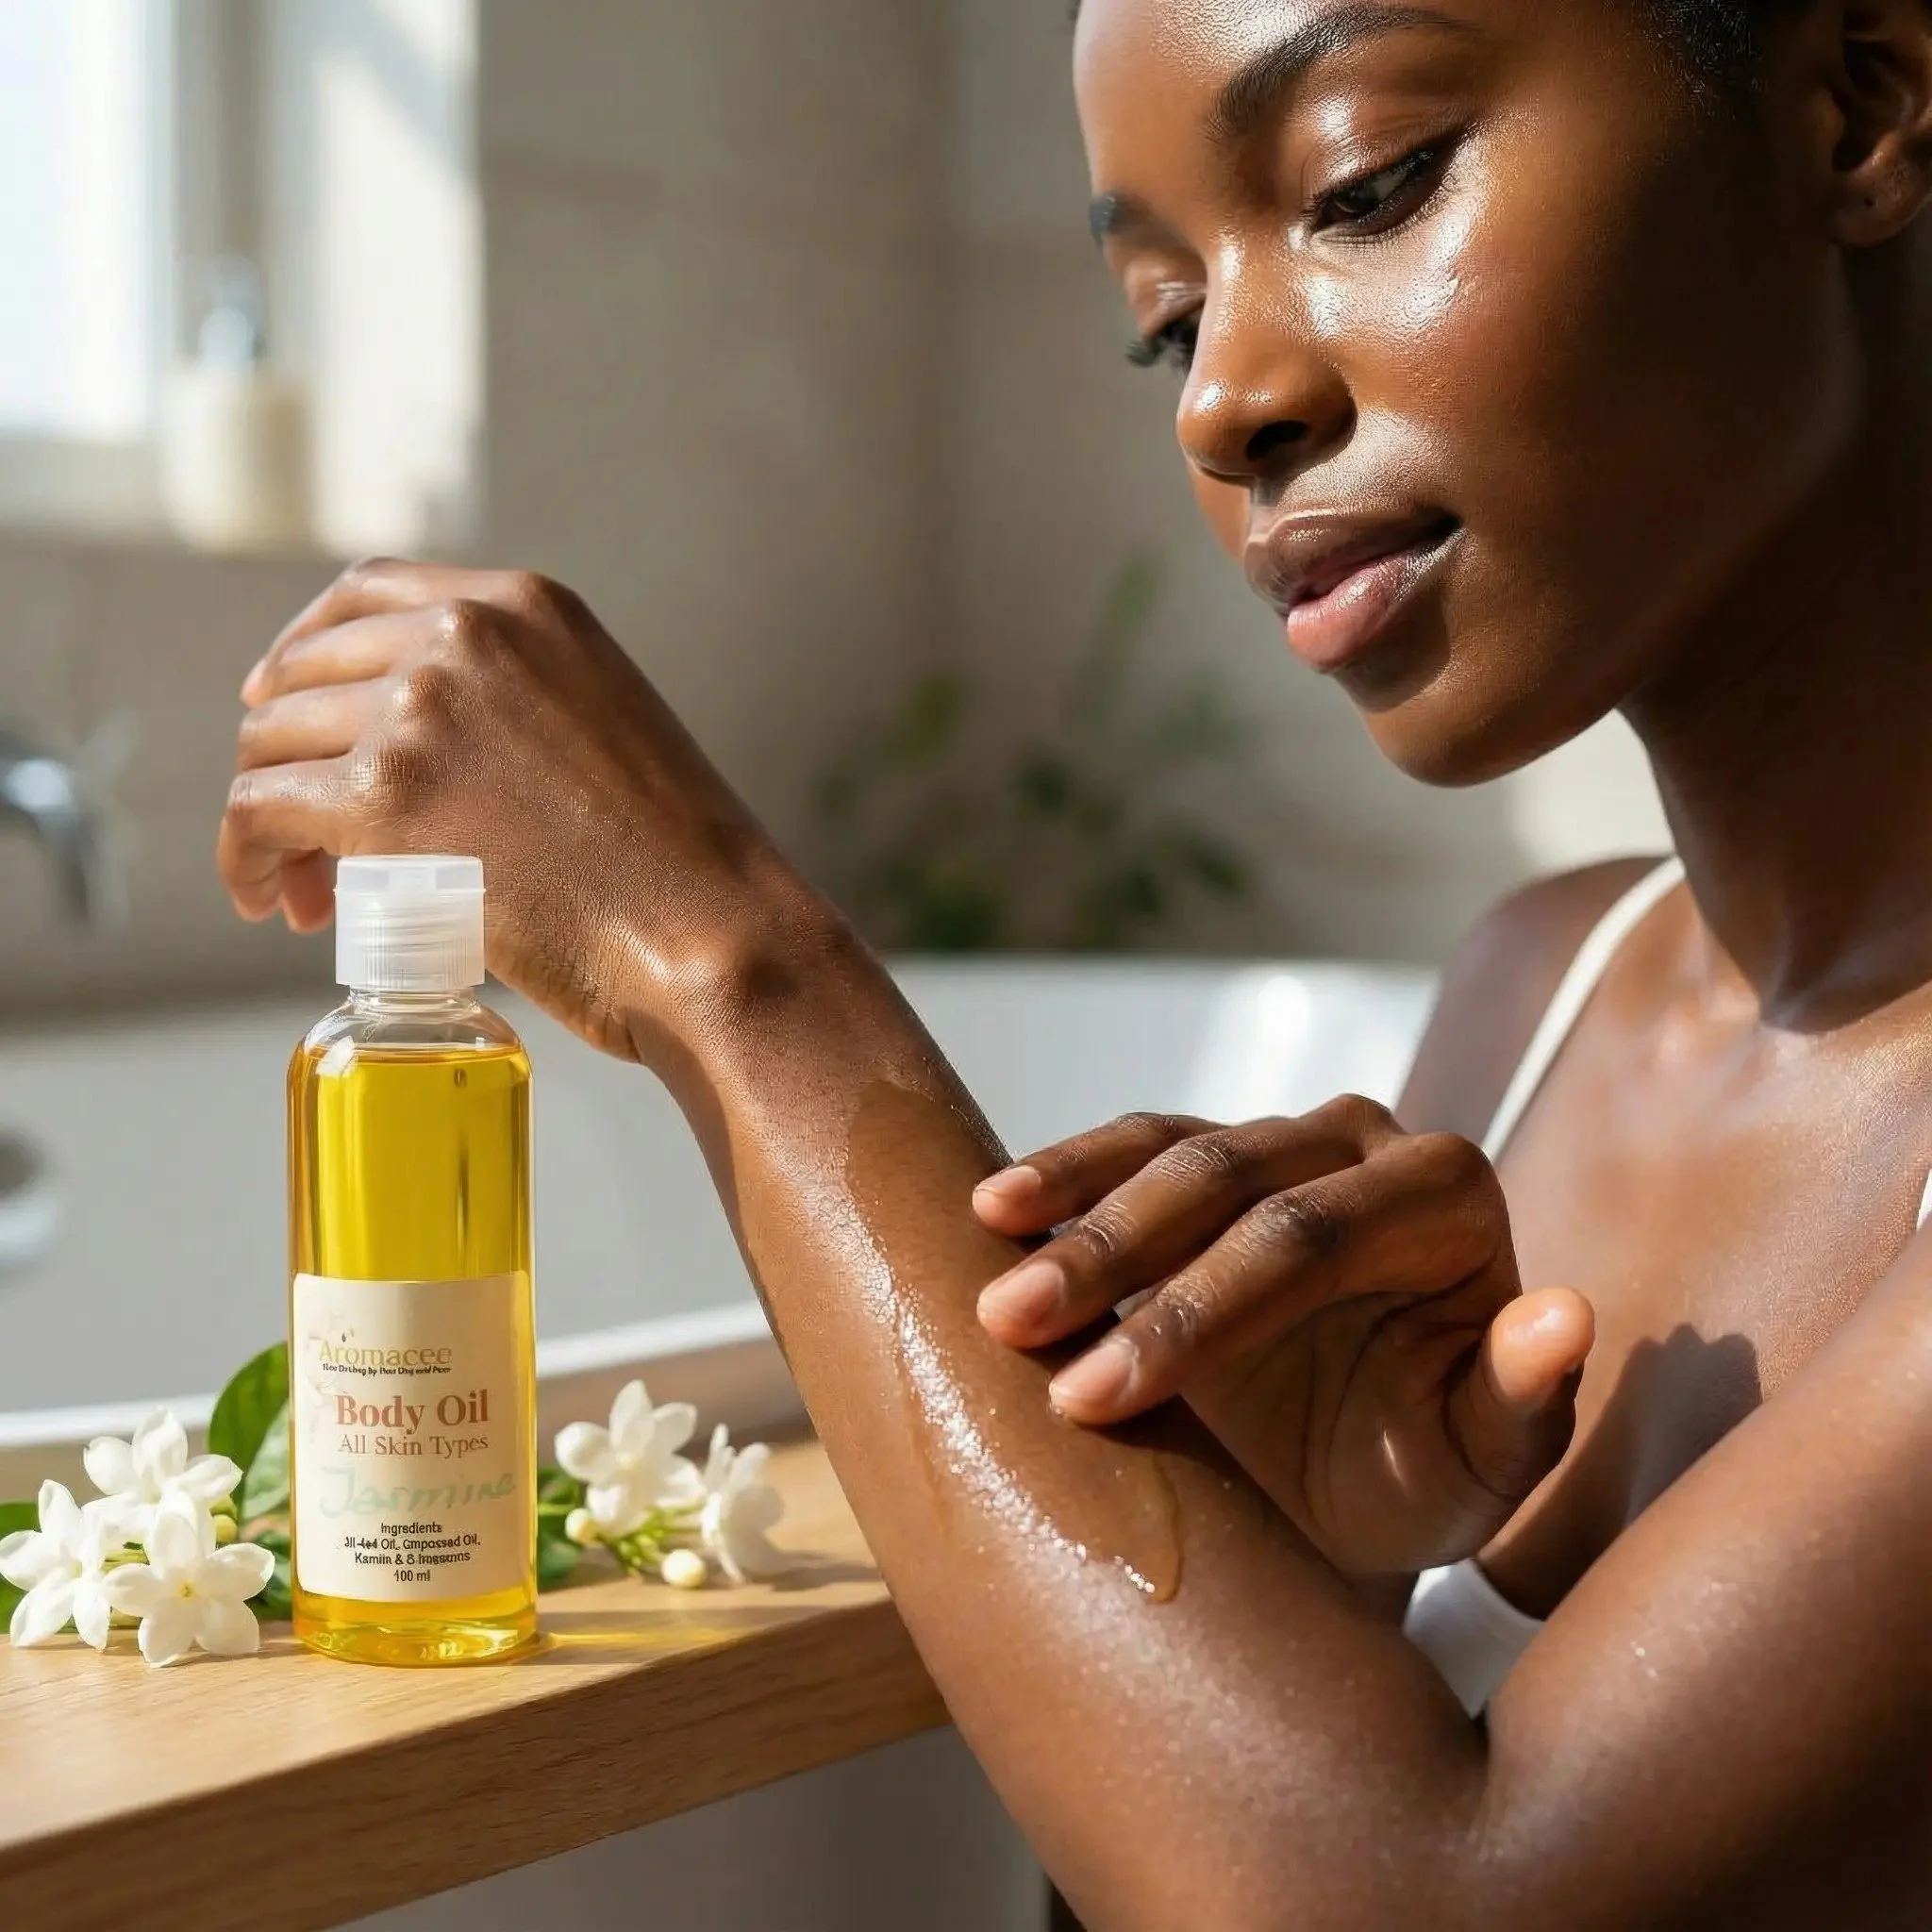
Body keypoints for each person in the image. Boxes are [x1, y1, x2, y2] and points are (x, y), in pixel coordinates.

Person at [218, 1, 1932, 1922]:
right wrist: (1320, 1566)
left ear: (1857, 105)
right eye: (1166, 317)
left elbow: (1410, 1901)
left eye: (1366, 183)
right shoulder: (1541, 987)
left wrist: (725, 960)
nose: (1221, 401)